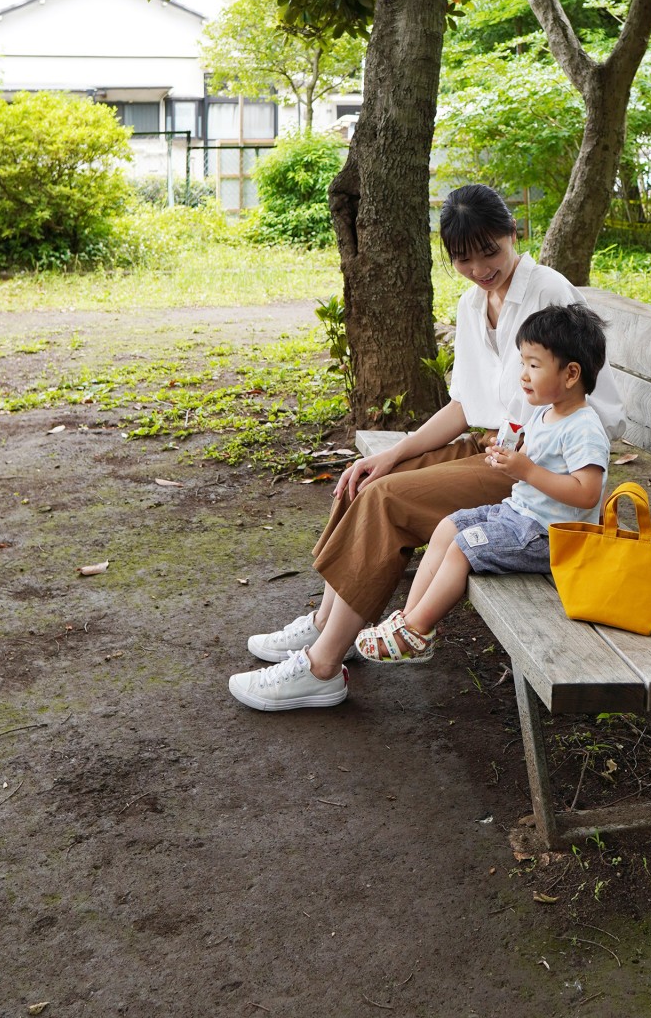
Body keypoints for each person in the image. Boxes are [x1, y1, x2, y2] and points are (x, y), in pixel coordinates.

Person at [228, 183, 624, 713]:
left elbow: (592, 403)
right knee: (368, 480)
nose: (480, 269)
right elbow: (464, 404)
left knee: (387, 501)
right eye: (464, 259)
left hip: (528, 469)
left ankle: (322, 668)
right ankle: (326, 625)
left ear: (513, 233)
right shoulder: (473, 303)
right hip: (490, 448)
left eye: (489, 252)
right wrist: (393, 453)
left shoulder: (548, 291)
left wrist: (528, 447)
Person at [354, 303, 610, 664]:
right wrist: (509, 458)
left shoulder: (584, 428)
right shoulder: (545, 412)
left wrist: (527, 471)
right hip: (520, 517)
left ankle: (417, 629)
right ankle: (410, 625)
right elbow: (533, 461)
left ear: (570, 374)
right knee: (448, 527)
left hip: (551, 537)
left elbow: (587, 493)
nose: (523, 375)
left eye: (534, 365)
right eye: (522, 363)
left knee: (463, 547)